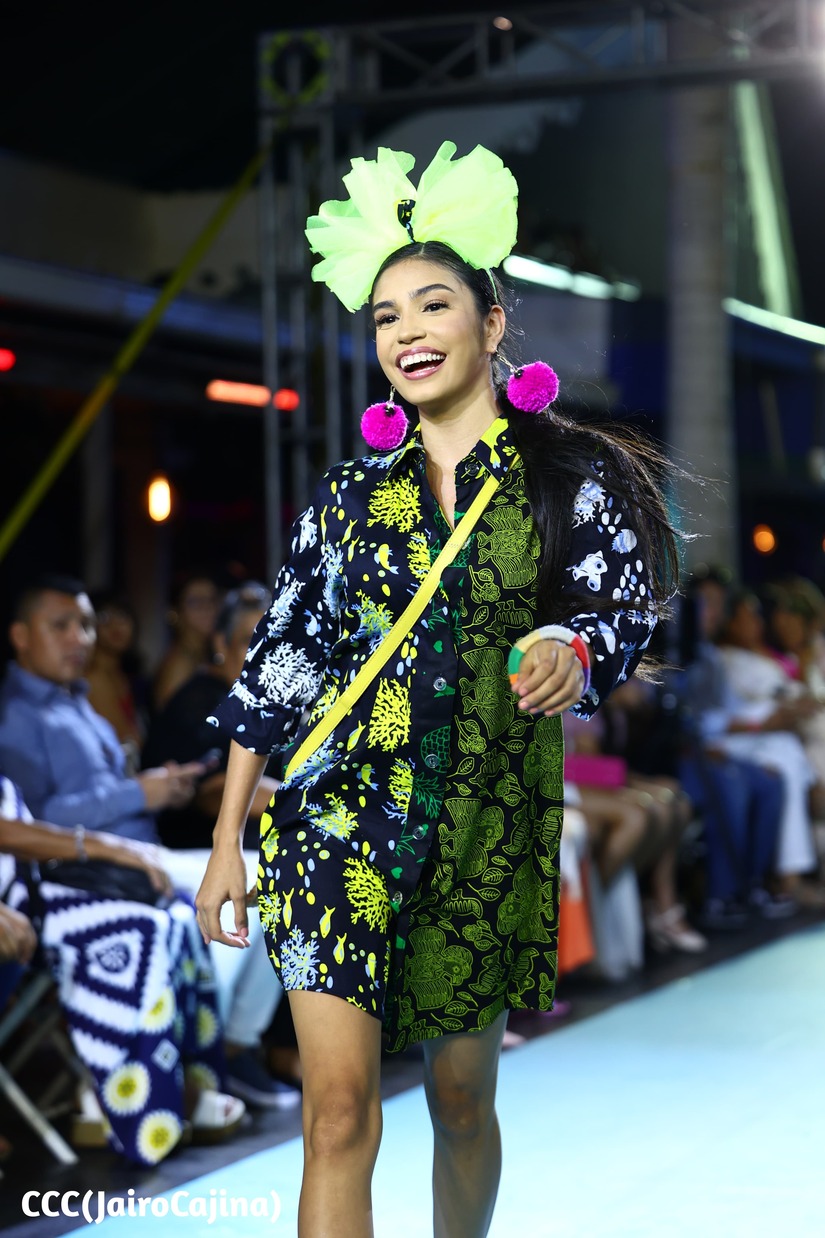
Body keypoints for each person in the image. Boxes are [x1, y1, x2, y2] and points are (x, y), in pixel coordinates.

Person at [194, 141, 679, 1237]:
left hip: (483, 825)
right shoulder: (349, 496)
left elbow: (618, 611)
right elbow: (280, 659)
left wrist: (572, 646)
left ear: (492, 323)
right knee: (336, 1114)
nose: (406, 331)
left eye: (433, 305)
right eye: (385, 316)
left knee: (461, 1105)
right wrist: (229, 837)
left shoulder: (567, 477)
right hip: (335, 821)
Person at [0, 575, 297, 1111]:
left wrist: (156, 785)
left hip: (139, 853)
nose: (80, 638)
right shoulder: (16, 716)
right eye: (61, 626)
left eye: (85, 625)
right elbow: (34, 820)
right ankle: (206, 1058)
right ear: (20, 636)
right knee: (252, 883)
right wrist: (140, 792)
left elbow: (100, 794)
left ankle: (229, 1048)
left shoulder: (74, 700)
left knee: (275, 876)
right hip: (89, 871)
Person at [0, 775, 244, 1162]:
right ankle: (129, 1095)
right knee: (136, 935)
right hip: (22, 904)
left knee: (178, 917)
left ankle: (175, 1077)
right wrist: (107, 846)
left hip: (37, 887)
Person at [85, 591, 146, 767]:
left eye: (122, 615)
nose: (114, 625)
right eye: (103, 617)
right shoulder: (95, 677)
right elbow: (126, 740)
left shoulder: (122, 673)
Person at [153, 574, 222, 712]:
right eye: (195, 602)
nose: (206, 607)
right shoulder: (178, 665)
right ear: (177, 612)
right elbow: (168, 719)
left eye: (211, 600)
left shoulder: (204, 654)